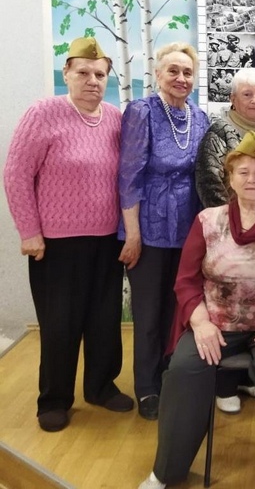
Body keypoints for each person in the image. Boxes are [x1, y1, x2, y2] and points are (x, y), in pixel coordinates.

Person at [137, 131, 255, 489]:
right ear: (230, 178)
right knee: (183, 369)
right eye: (243, 172)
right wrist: (200, 323)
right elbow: (186, 280)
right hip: (215, 322)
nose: (252, 179)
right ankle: (166, 469)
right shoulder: (207, 221)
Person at [3, 37, 133, 432]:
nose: (93, 80)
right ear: (67, 73)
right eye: (84, 72)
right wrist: (29, 232)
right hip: (55, 245)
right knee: (60, 324)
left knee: (104, 320)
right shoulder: (43, 113)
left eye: (100, 74)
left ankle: (100, 387)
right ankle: (54, 399)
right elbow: (16, 174)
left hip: (107, 240)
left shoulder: (115, 118)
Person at [118, 42, 210, 421]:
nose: (181, 78)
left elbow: (204, 176)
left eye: (187, 72)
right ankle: (147, 387)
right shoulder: (141, 112)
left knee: (180, 310)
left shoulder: (200, 117)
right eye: (173, 70)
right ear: (158, 74)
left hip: (187, 228)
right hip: (149, 228)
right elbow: (128, 176)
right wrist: (132, 234)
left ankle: (174, 378)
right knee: (149, 313)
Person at [196, 68, 255, 413]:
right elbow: (209, 180)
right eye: (247, 94)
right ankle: (225, 384)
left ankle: (249, 377)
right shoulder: (218, 132)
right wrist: (232, 227)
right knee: (227, 307)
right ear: (233, 98)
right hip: (224, 235)